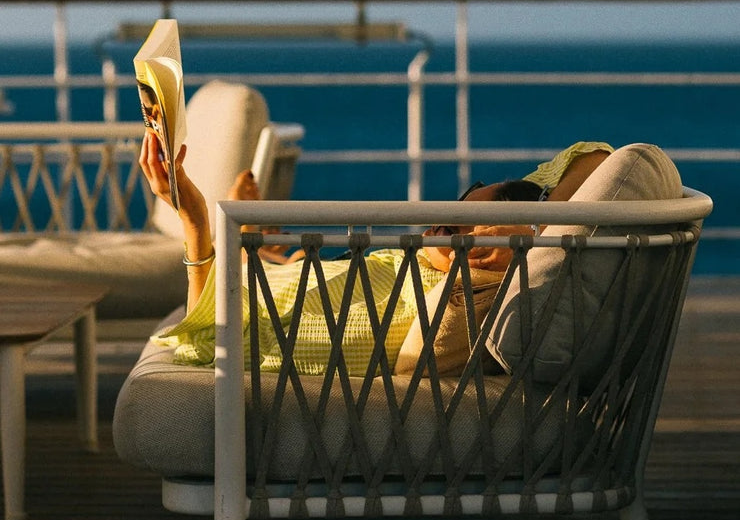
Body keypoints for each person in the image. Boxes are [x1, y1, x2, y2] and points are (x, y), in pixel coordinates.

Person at [138, 135, 613, 372]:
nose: (438, 224)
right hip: (304, 278)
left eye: (454, 225)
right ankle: (256, 249)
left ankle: (247, 248)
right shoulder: (420, 264)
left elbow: (213, 341)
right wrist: (532, 224)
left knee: (279, 264)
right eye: (460, 200)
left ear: (487, 251)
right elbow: (590, 154)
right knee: (295, 264)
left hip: (249, 302)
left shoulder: (421, 299)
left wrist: (195, 221)